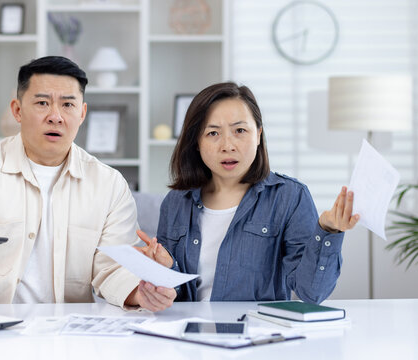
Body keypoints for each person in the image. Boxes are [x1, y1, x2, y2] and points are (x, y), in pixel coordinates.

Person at [0, 56, 170, 310]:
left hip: (68, 336)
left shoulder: (109, 184)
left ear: (82, 113)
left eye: (68, 105)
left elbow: (113, 269)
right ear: (17, 110)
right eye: (42, 103)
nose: (55, 116)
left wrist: (142, 292)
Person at [136, 81, 359, 310]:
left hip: (258, 336)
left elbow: (312, 293)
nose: (227, 145)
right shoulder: (176, 203)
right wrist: (166, 270)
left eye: (239, 131)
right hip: (189, 335)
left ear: (259, 134)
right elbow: (178, 296)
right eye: (213, 133)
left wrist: (328, 230)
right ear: (197, 143)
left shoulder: (290, 197)